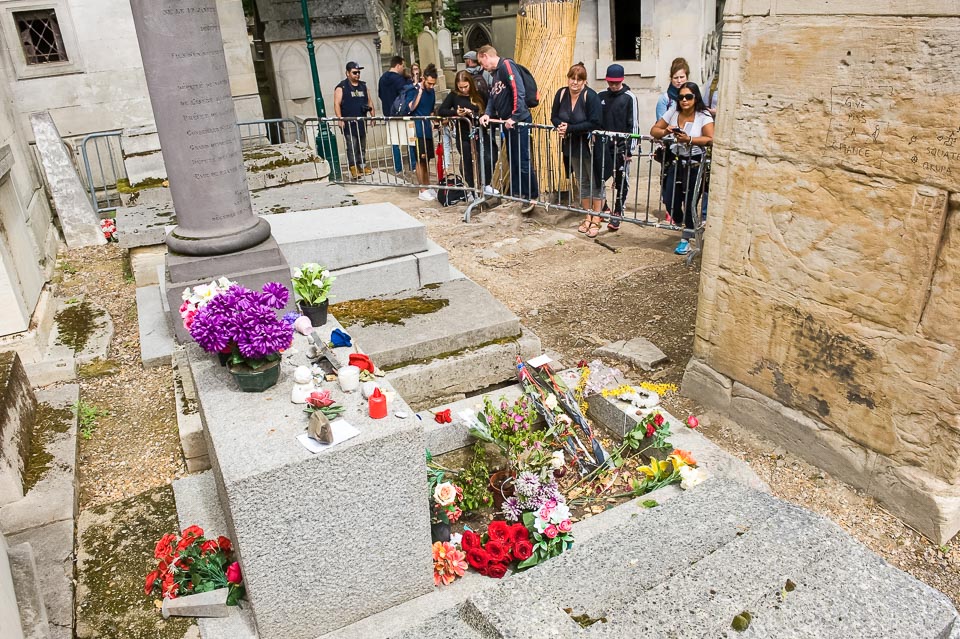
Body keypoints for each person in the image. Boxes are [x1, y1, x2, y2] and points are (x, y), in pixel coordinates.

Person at [650, 81, 714, 255]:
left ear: (695, 97)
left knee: (691, 201)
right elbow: (654, 130)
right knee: (670, 199)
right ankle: (683, 224)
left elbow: (710, 138)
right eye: (681, 97)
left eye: (688, 96)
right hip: (676, 161)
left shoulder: (703, 116)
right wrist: (666, 131)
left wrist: (690, 140)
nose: (684, 100)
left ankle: (686, 238)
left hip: (695, 163)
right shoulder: (673, 112)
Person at [477, 44, 539, 213]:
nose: (482, 67)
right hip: (507, 123)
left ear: (485, 56)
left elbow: (518, 91)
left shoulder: (507, 66)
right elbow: (492, 96)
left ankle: (531, 196)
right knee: (513, 159)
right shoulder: (495, 74)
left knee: (522, 159)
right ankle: (519, 193)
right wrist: (488, 113)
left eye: (481, 62)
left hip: (518, 121)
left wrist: (515, 115)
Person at [550, 63, 604, 237]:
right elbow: (554, 116)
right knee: (582, 181)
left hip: (590, 145)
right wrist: (560, 126)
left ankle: (597, 217)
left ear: (584, 81)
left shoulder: (591, 96)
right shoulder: (561, 94)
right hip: (572, 145)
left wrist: (570, 128)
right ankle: (588, 215)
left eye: (578, 79)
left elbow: (595, 122)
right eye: (572, 78)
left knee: (595, 180)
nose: (574, 82)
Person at [597, 63, 640, 231]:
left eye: (617, 82)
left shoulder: (629, 97)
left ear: (622, 80)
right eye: (611, 82)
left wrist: (630, 150)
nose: (614, 86)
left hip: (621, 146)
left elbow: (634, 124)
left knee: (622, 179)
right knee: (599, 177)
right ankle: (603, 205)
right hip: (603, 145)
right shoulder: (601, 95)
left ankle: (618, 210)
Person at [437, 71, 487, 190]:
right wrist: (456, 113)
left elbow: (487, 110)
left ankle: (484, 185)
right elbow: (441, 110)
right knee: (466, 163)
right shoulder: (454, 95)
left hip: (480, 133)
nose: (464, 90)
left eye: (466, 87)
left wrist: (473, 113)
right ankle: (471, 188)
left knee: (483, 160)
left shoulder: (479, 94)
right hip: (463, 135)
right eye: (461, 87)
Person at [334, 61, 375, 178]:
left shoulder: (363, 86)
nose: (357, 75)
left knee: (362, 146)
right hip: (349, 122)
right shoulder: (341, 87)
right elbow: (336, 104)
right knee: (352, 146)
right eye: (354, 72)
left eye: (358, 72)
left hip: (362, 121)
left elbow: (369, 101)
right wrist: (340, 119)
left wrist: (373, 116)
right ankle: (353, 168)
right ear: (347, 73)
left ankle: (362, 165)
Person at [403, 64, 438, 200]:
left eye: (433, 84)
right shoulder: (414, 90)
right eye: (429, 83)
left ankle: (427, 185)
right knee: (419, 158)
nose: (431, 86)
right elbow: (410, 107)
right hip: (416, 129)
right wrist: (420, 92)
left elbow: (430, 109)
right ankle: (422, 188)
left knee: (426, 159)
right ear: (424, 79)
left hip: (426, 128)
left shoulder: (432, 91)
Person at [379, 56, 409, 172]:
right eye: (403, 66)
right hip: (400, 113)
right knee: (409, 140)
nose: (403, 68)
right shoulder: (399, 79)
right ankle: (412, 166)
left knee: (394, 142)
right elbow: (404, 95)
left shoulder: (382, 79)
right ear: (398, 65)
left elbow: (381, 95)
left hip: (388, 113)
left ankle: (398, 168)